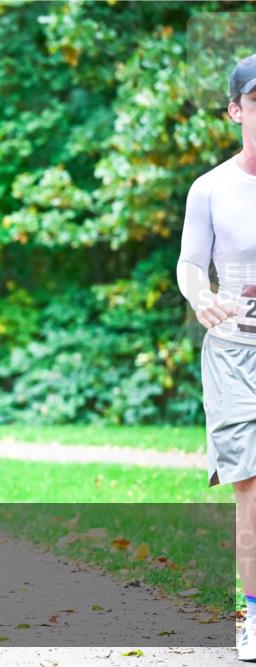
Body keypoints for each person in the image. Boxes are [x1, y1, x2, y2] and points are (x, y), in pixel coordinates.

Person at [176, 54, 256, 662]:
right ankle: (252, 618)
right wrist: (202, 298)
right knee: (249, 481)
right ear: (236, 110)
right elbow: (188, 264)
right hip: (233, 351)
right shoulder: (211, 188)